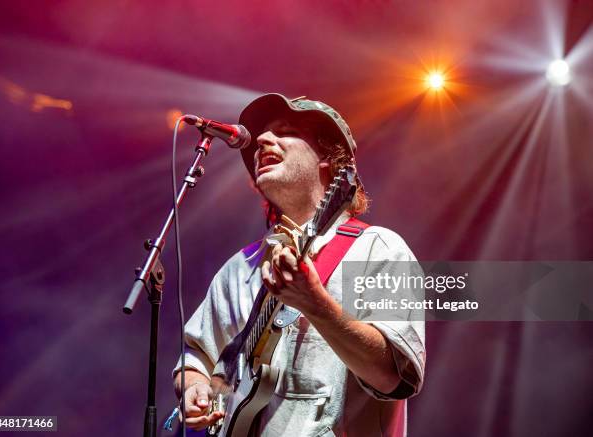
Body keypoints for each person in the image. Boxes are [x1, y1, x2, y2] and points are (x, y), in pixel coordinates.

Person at [173, 94, 425, 436]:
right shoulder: (238, 268)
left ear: (327, 157)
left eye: (286, 130)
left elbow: (392, 375)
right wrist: (195, 387)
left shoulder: (378, 249)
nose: (261, 140)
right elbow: (197, 355)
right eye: (262, 136)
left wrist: (315, 304)